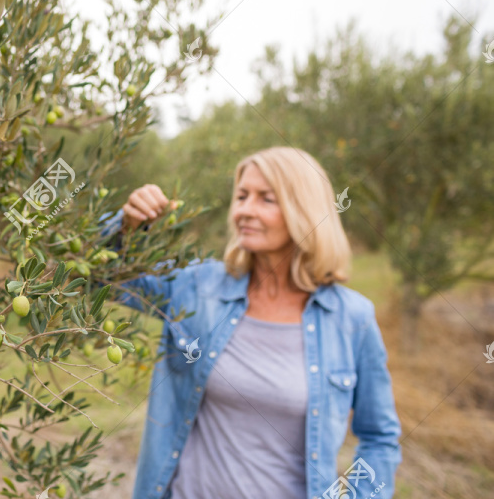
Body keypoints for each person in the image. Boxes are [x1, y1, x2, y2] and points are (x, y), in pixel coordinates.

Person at [97, 146, 402, 499]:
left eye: (265, 199)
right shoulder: (198, 287)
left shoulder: (352, 319)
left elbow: (380, 437)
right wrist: (125, 226)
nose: (244, 210)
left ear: (303, 210)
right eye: (241, 196)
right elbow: (98, 277)